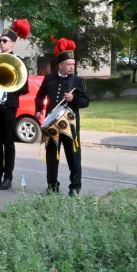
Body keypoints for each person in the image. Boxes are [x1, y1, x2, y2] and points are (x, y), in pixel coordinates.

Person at [35, 38, 90, 196]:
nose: (72, 67)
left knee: (73, 157)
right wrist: (39, 109)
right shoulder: (49, 78)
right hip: (52, 125)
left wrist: (74, 100)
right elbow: (40, 96)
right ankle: (52, 186)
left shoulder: (77, 81)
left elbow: (86, 101)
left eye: (73, 64)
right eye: (69, 64)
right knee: (52, 157)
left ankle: (75, 186)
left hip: (70, 125)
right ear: (60, 65)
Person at [0, 20, 31, 190]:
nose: (1, 43)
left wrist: (11, 84)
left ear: (12, 43)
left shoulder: (18, 62)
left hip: (9, 107)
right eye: (0, 40)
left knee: (8, 143)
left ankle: (8, 176)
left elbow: (25, 88)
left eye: (4, 41)